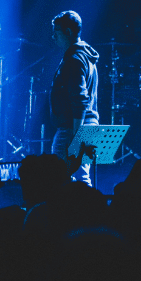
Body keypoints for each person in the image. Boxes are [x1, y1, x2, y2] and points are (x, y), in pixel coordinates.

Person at [49, 11, 99, 185]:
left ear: (68, 32)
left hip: (72, 128)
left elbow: (79, 101)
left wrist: (75, 138)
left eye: (56, 32)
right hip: (88, 126)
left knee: (60, 179)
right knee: (81, 178)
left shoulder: (74, 60)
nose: (53, 37)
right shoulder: (87, 57)